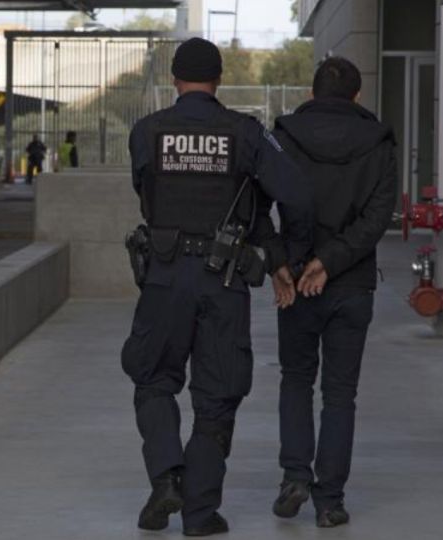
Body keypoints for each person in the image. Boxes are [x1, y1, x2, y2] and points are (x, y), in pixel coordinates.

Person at [122, 37, 313, 536]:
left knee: (153, 378)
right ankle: (200, 513)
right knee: (217, 395)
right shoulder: (245, 133)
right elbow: (295, 190)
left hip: (163, 276)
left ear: (174, 79)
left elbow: (145, 192)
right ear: (219, 80)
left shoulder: (146, 131)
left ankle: (166, 477)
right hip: (222, 277)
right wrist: (277, 251)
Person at [269, 57, 397, 528]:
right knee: (340, 393)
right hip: (352, 283)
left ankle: (294, 477)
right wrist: (331, 261)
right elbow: (377, 219)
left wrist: (288, 262)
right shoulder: (379, 142)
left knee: (296, 379)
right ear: (358, 96)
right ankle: (330, 501)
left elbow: (261, 204)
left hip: (297, 280)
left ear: (312, 92)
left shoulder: (285, 136)